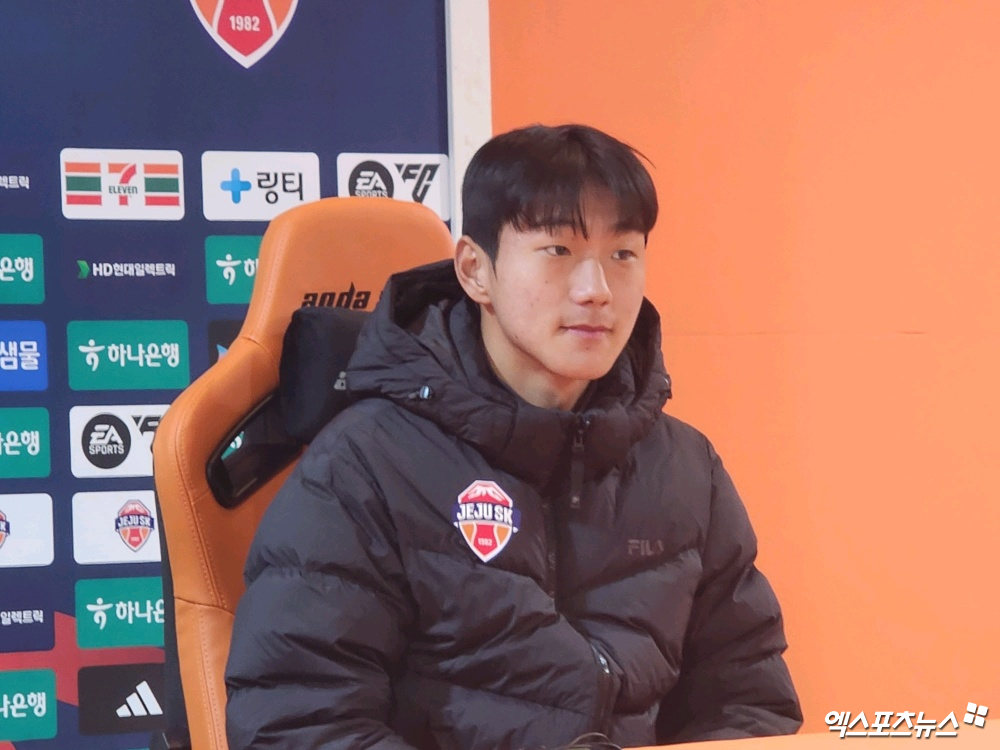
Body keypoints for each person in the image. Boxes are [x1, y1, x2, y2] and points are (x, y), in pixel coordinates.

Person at [225, 124, 803, 749]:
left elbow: (750, 704)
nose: (596, 290)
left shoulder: (688, 470)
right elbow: (299, 724)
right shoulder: (364, 466)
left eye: (623, 255)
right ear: (476, 270)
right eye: (558, 250)